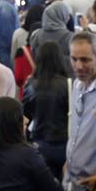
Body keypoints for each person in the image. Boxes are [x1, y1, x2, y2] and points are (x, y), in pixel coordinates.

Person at [63, 31, 96, 191]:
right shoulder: (77, 84)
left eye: (85, 60)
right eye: (74, 59)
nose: (78, 66)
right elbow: (77, 126)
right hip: (73, 182)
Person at [23, 39, 71, 183]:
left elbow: (26, 113)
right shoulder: (68, 84)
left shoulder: (31, 84)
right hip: (64, 142)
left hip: (40, 140)